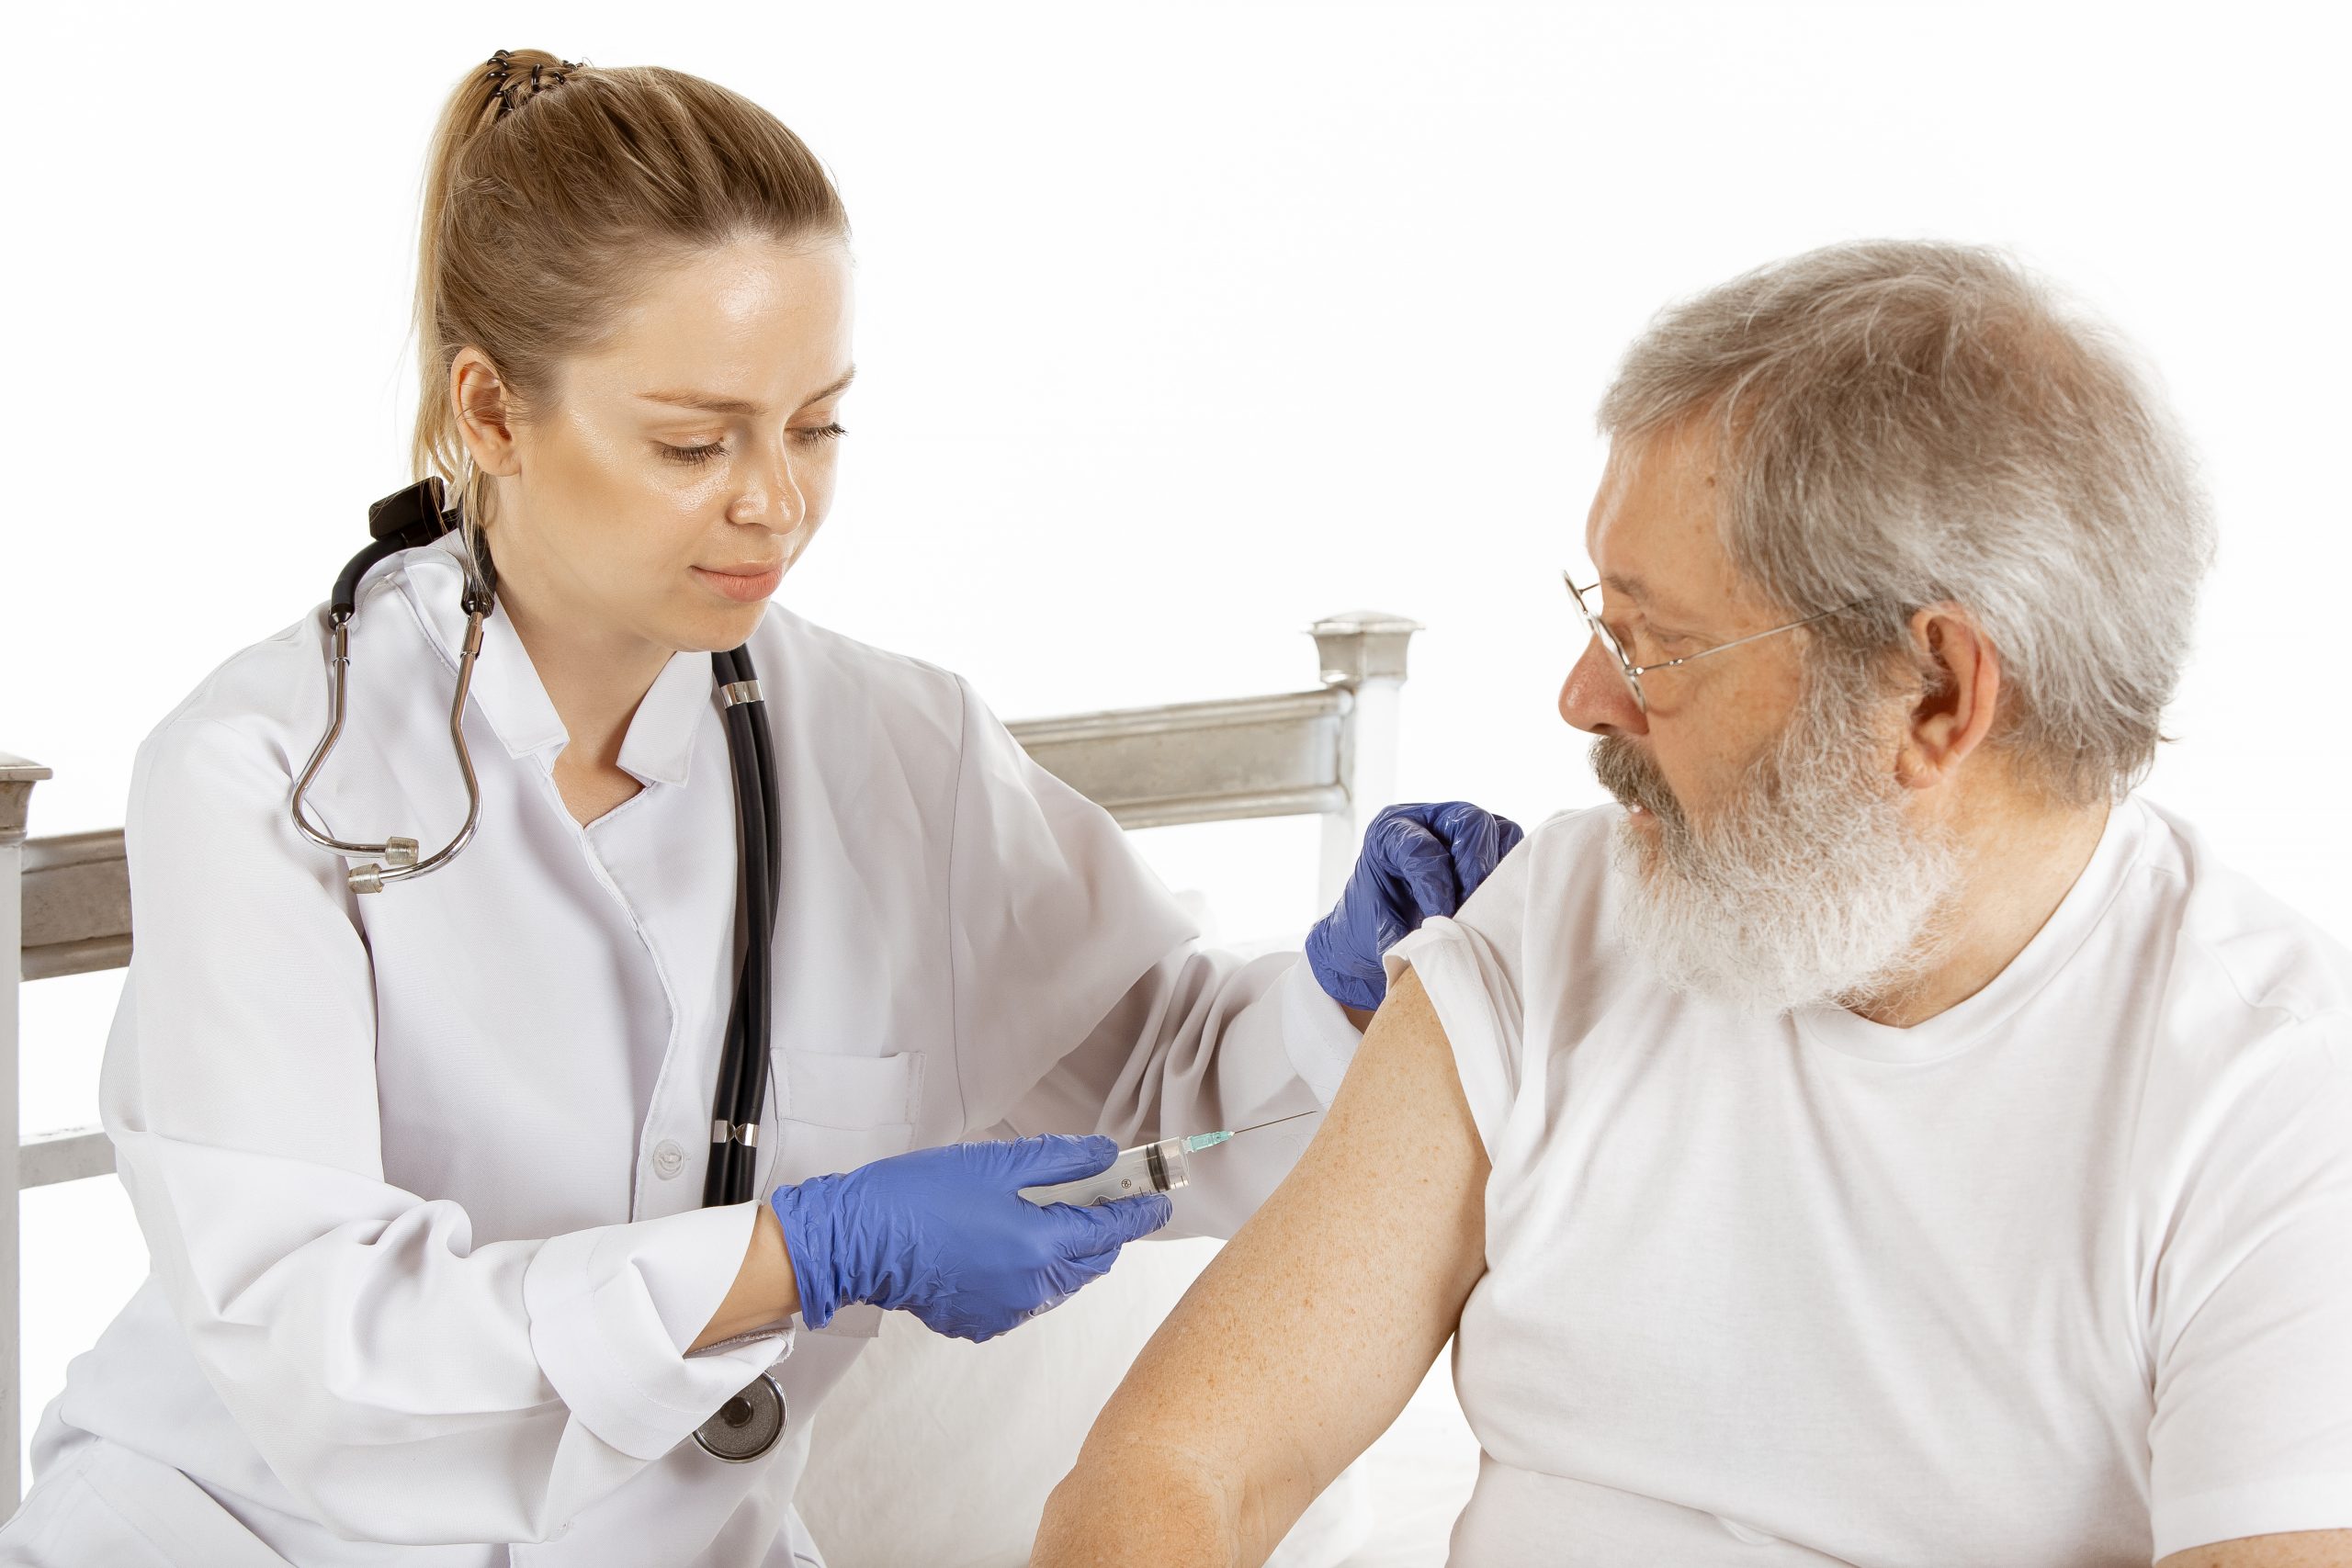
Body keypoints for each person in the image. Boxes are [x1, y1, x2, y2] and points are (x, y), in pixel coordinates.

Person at [0, 51, 1516, 1568]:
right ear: (493, 411)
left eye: (817, 426)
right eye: (694, 442)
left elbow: (1166, 1077)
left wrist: (1345, 994)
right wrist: (806, 1252)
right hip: (236, 1533)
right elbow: (320, 1350)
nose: (775, 502)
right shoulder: (269, 772)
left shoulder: (892, 748)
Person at [1033, 241, 2352, 1567]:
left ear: (1939, 696)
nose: (1583, 699)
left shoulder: (2271, 1102)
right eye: (1598, 615)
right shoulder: (1563, 922)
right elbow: (1183, 1467)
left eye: (1653, 644)